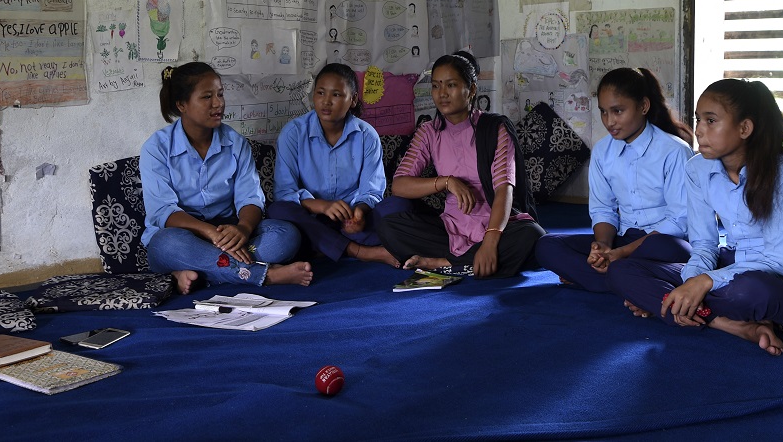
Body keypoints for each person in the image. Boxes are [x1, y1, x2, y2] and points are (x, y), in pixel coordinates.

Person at [609, 79, 783, 355]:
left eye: (711, 121)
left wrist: (705, 283)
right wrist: (692, 281)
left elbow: (777, 263)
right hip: (733, 263)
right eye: (699, 119)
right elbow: (704, 246)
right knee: (621, 270)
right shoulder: (697, 169)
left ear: (744, 128)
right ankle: (733, 325)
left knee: (748, 292)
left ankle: (669, 304)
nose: (698, 130)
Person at [140, 62, 313, 295]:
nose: (218, 103)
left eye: (220, 94)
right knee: (165, 246)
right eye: (207, 97)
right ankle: (264, 275)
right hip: (185, 237)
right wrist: (209, 233)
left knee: (285, 236)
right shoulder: (157, 147)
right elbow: (162, 211)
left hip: (229, 232)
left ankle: (198, 273)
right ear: (182, 105)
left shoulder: (235, 143)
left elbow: (250, 197)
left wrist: (242, 228)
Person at [534, 67, 694, 316]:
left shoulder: (674, 151)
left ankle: (618, 279)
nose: (609, 121)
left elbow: (680, 220)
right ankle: (634, 283)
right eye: (603, 112)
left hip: (665, 244)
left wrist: (621, 253)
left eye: (618, 111)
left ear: (643, 106)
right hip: (625, 241)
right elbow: (602, 210)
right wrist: (602, 248)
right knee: (546, 246)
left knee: (666, 249)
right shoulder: (602, 151)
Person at [378, 51, 544, 278]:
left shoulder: (495, 128)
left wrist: (490, 240)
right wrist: (446, 182)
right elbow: (399, 186)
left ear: (472, 89)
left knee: (531, 235)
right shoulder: (429, 131)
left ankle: (443, 264)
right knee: (389, 226)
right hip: (451, 227)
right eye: (436, 86)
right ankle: (469, 264)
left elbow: (504, 189)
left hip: (496, 223)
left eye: (451, 85)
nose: (442, 94)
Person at [268, 63, 408, 267]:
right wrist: (323, 206)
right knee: (279, 210)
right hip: (311, 219)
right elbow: (284, 192)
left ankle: (325, 247)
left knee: (399, 207)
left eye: (336, 95)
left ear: (352, 100)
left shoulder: (366, 135)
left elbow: (372, 191)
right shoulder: (294, 133)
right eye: (320, 93)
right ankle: (358, 251)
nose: (326, 102)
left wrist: (360, 212)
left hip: (351, 222)